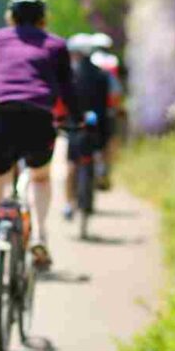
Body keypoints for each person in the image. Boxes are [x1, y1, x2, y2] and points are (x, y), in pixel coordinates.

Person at [0, 0, 77, 314]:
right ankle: (39, 234)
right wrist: (78, 118)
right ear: (44, 20)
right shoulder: (56, 45)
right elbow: (67, 89)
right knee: (41, 177)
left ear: (10, 18)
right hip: (37, 120)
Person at [62, 34, 111, 221]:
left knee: (71, 165)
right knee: (96, 154)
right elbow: (107, 105)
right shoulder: (102, 75)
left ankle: (68, 204)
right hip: (97, 127)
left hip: (75, 126)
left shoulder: (70, 76)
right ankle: (101, 172)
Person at [88, 32, 125, 190]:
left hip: (87, 110)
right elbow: (116, 90)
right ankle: (104, 171)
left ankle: (92, 169)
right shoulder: (113, 62)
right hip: (107, 110)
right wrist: (117, 108)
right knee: (108, 141)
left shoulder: (89, 62)